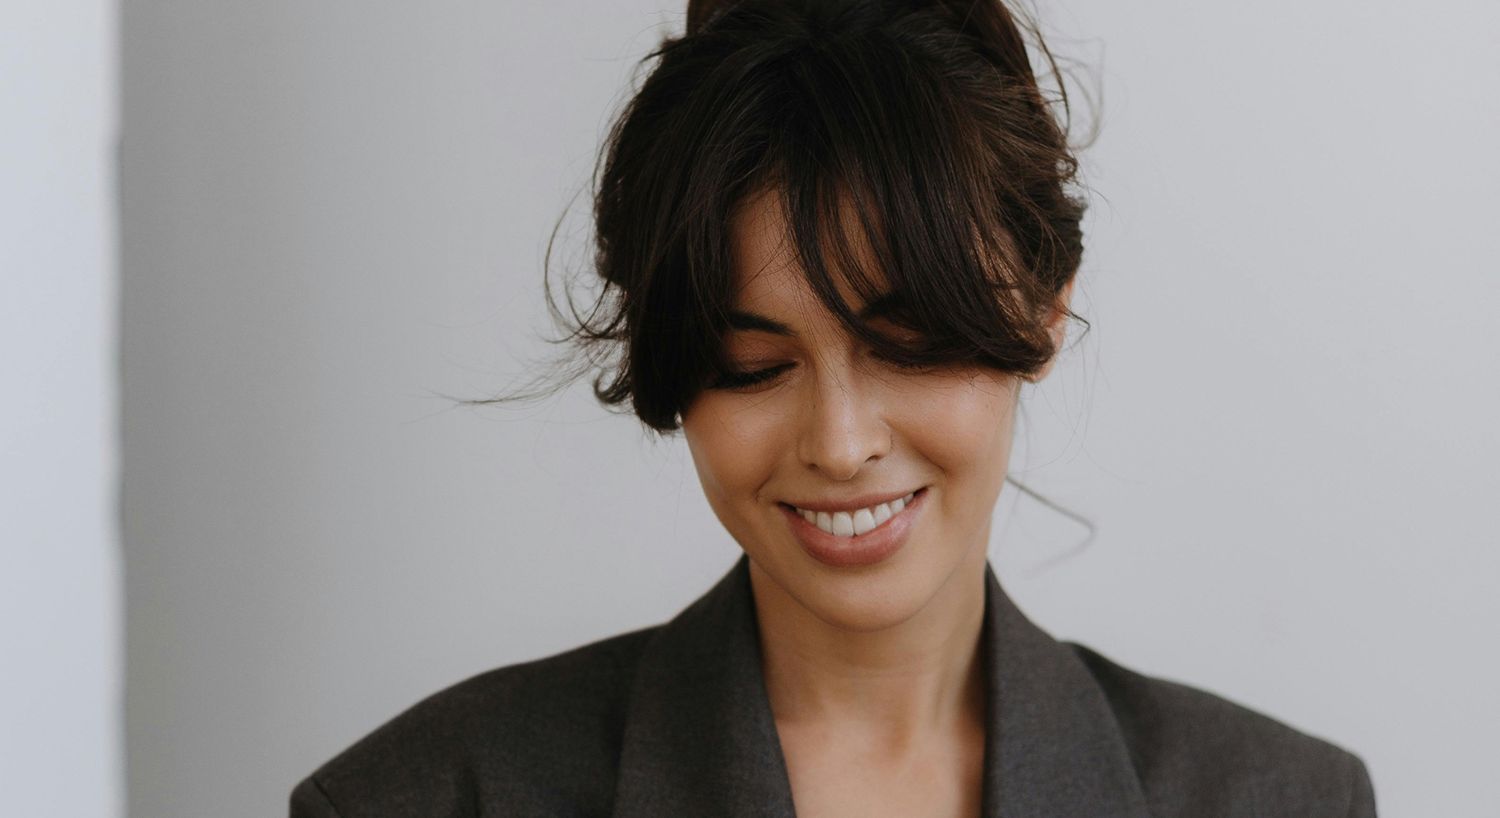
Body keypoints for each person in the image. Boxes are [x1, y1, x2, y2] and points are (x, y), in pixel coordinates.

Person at [290, 0, 1377, 815]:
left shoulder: (1280, 798)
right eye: (751, 364)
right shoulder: (429, 796)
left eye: (906, 344)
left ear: (1045, 316)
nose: (841, 442)